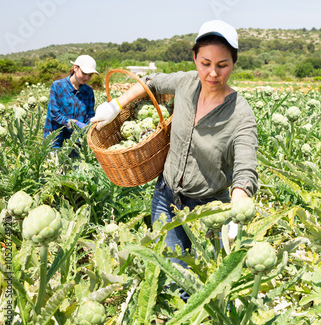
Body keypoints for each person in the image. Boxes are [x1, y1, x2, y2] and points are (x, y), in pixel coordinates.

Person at [91, 20, 259, 265]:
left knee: (208, 282)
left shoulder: (240, 114)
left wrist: (237, 209)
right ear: (194, 58)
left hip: (208, 209)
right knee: (173, 273)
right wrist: (116, 105)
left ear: (234, 63)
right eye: (206, 63)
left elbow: (246, 168)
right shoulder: (186, 83)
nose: (213, 73)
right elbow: (153, 81)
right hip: (165, 196)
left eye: (222, 65)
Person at [44, 55, 98, 148]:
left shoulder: (88, 92)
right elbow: (54, 113)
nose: (86, 78)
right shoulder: (57, 86)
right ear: (75, 68)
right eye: (84, 73)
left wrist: (89, 126)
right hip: (55, 140)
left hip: (76, 143)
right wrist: (73, 123)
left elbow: (90, 115)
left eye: (90, 75)